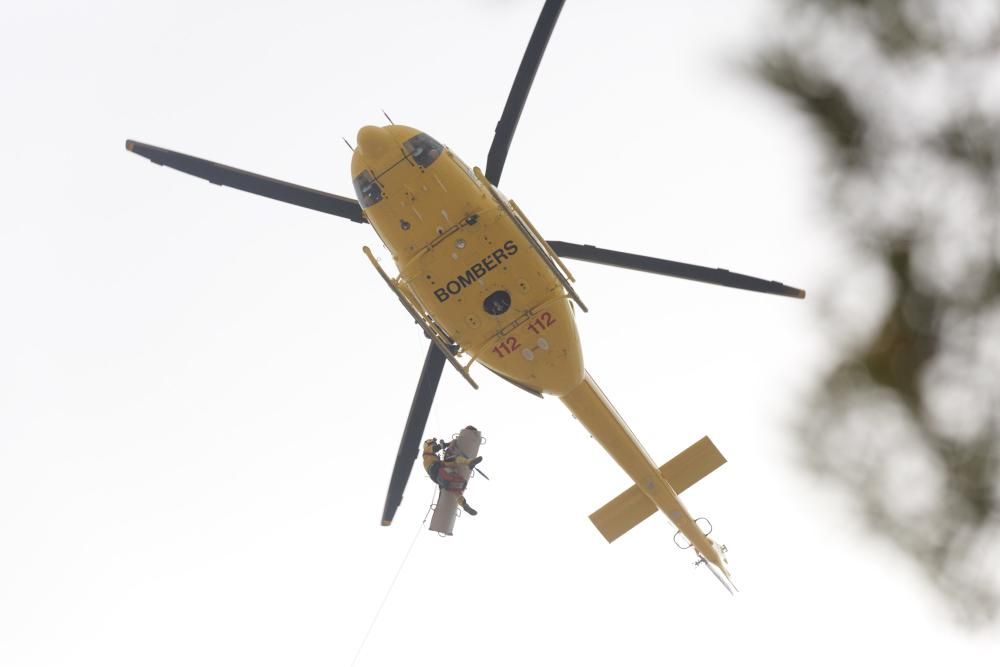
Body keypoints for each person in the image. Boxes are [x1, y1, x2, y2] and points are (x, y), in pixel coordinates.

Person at [422, 437, 482, 516]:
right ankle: (468, 462)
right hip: (436, 468)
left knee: (455, 490)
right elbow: (436, 448)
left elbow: (437, 450)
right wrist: (448, 444)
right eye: (433, 443)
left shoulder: (429, 458)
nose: (434, 444)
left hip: (437, 475)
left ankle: (465, 505)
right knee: (454, 459)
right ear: (429, 444)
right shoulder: (426, 451)